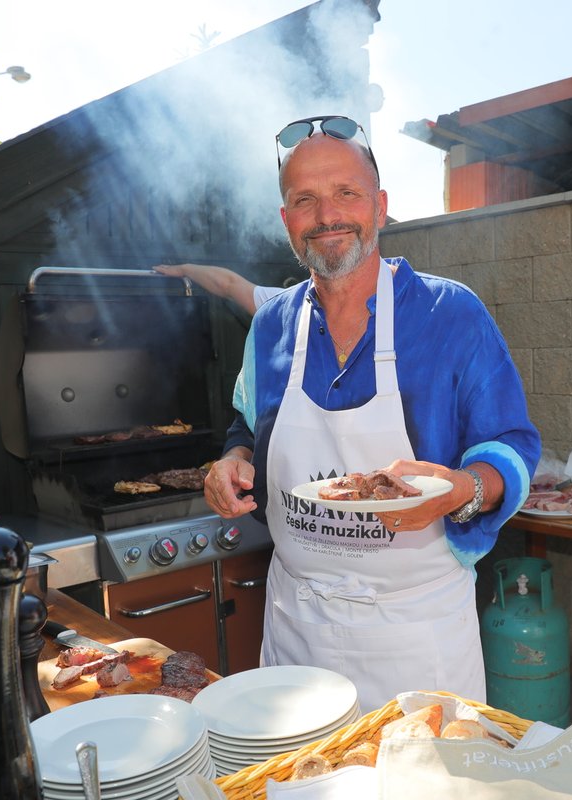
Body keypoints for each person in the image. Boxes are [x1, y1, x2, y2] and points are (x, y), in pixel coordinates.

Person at [202, 116, 541, 711]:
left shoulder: (450, 314)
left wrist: (463, 488)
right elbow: (246, 426)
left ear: (380, 206)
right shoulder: (270, 326)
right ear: (287, 222)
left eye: (346, 193)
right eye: (304, 199)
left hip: (416, 640)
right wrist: (232, 460)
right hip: (298, 635)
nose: (327, 215)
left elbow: (510, 445)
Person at [152, 263, 283, 315]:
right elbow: (228, 284)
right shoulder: (288, 302)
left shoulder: (287, 303)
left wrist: (184, 269)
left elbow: (228, 284)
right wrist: (184, 269)